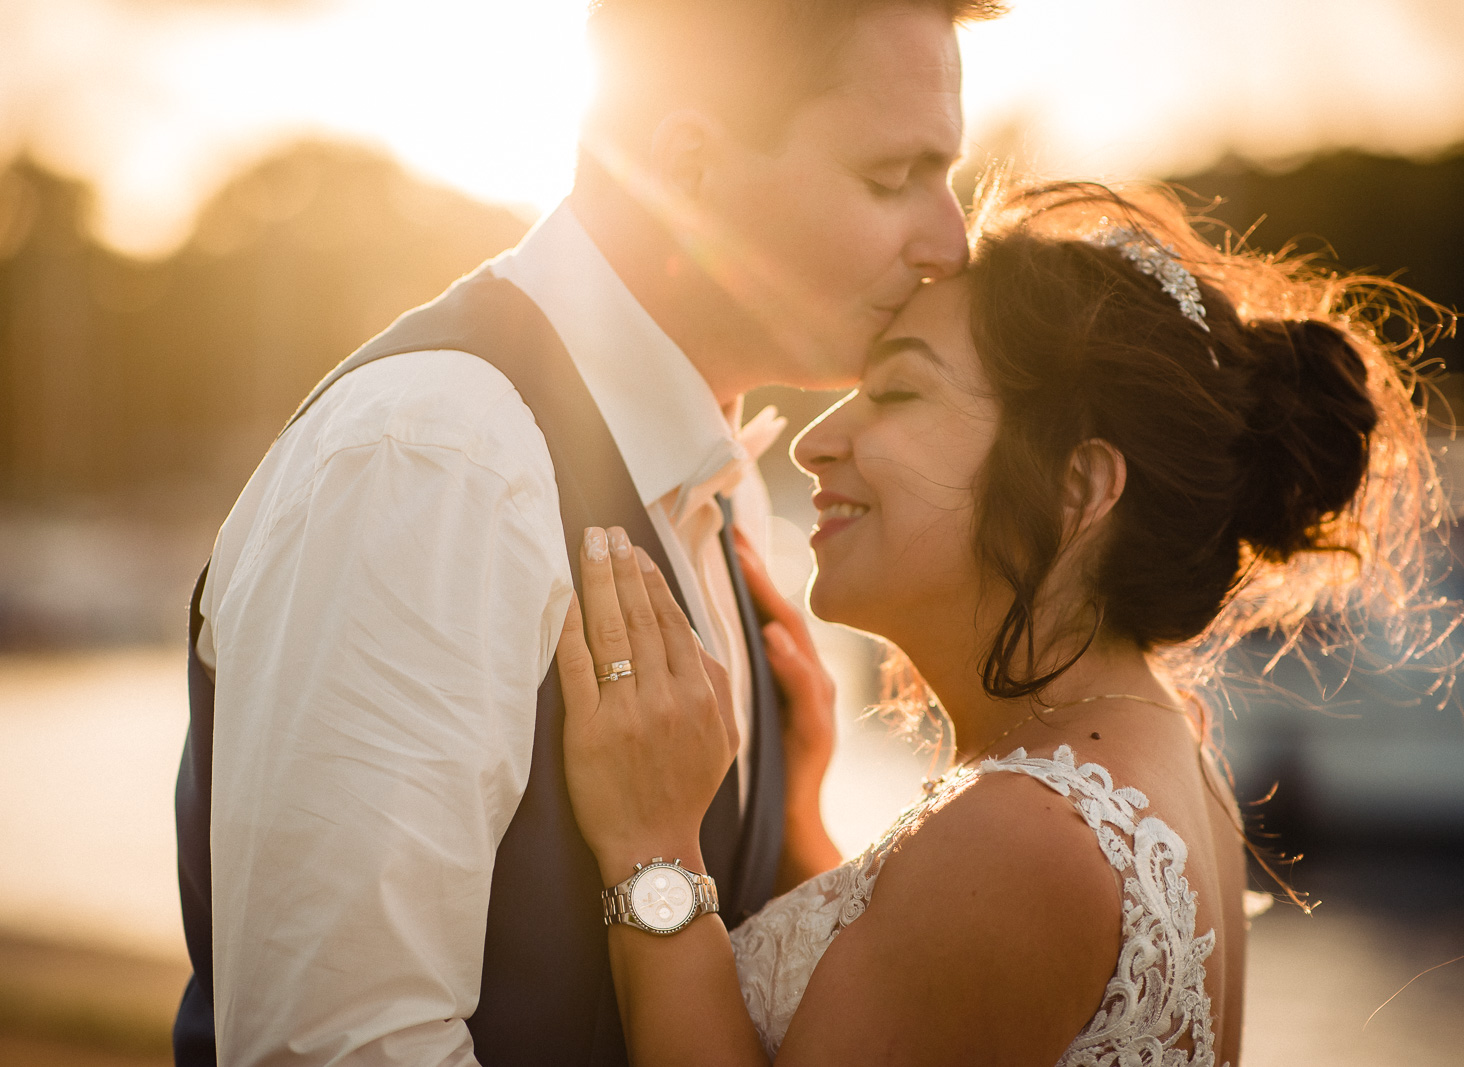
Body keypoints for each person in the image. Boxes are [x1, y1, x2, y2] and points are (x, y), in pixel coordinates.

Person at [171, 1, 994, 1063]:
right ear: (688, 164)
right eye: (892, 179)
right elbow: (336, 1045)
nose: (949, 240)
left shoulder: (719, 482)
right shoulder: (433, 455)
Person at [555, 178, 1442, 1066]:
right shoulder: (1165, 760)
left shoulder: (1019, 839)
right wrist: (798, 824)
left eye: (898, 391)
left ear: (1079, 488)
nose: (813, 440)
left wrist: (653, 850)